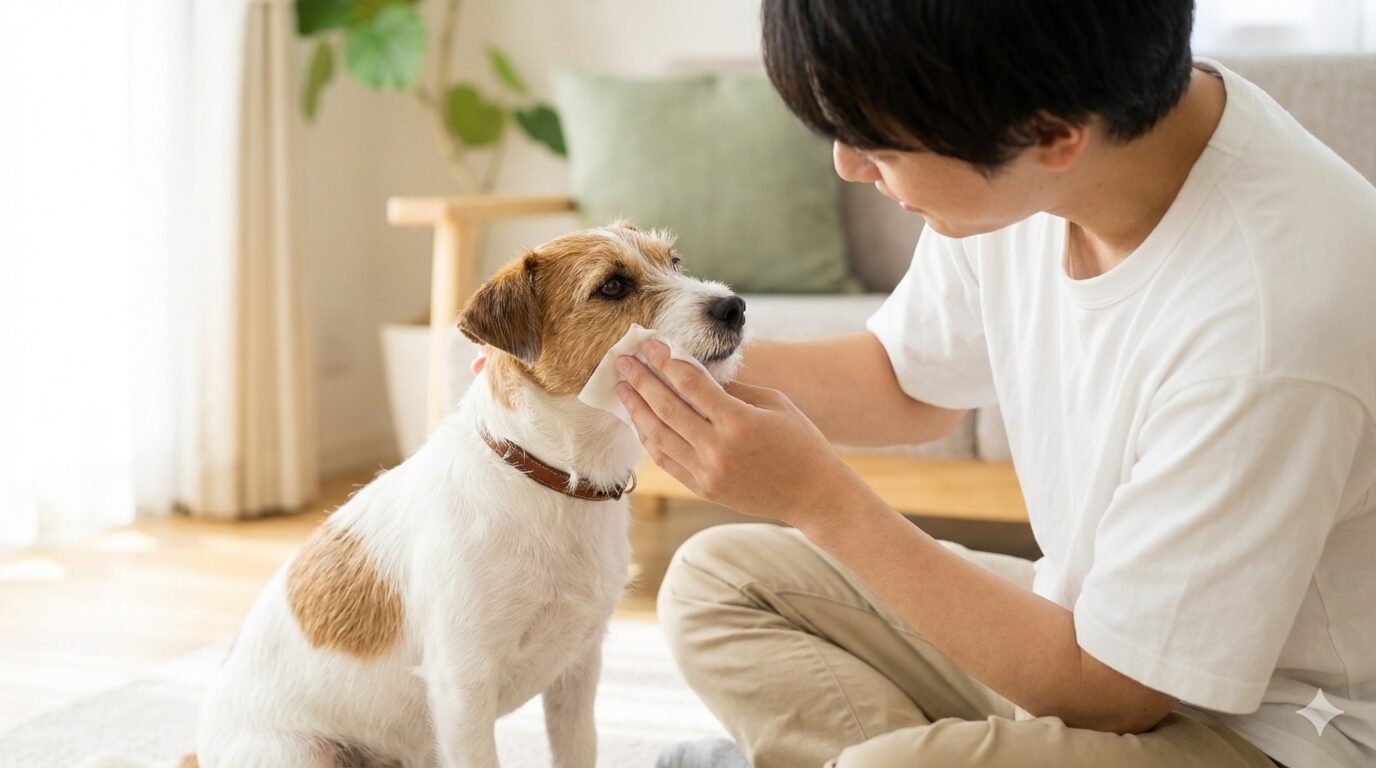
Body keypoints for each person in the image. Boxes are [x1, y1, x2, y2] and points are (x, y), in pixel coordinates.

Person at [606, 2, 1376, 767]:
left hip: (1271, 730)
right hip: (1085, 633)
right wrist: (652, 360)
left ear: (1052, 136)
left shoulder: (1272, 317)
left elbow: (1117, 692)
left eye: (879, 140)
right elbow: (903, 382)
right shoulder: (1056, 148)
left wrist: (818, 500)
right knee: (719, 581)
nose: (848, 163)